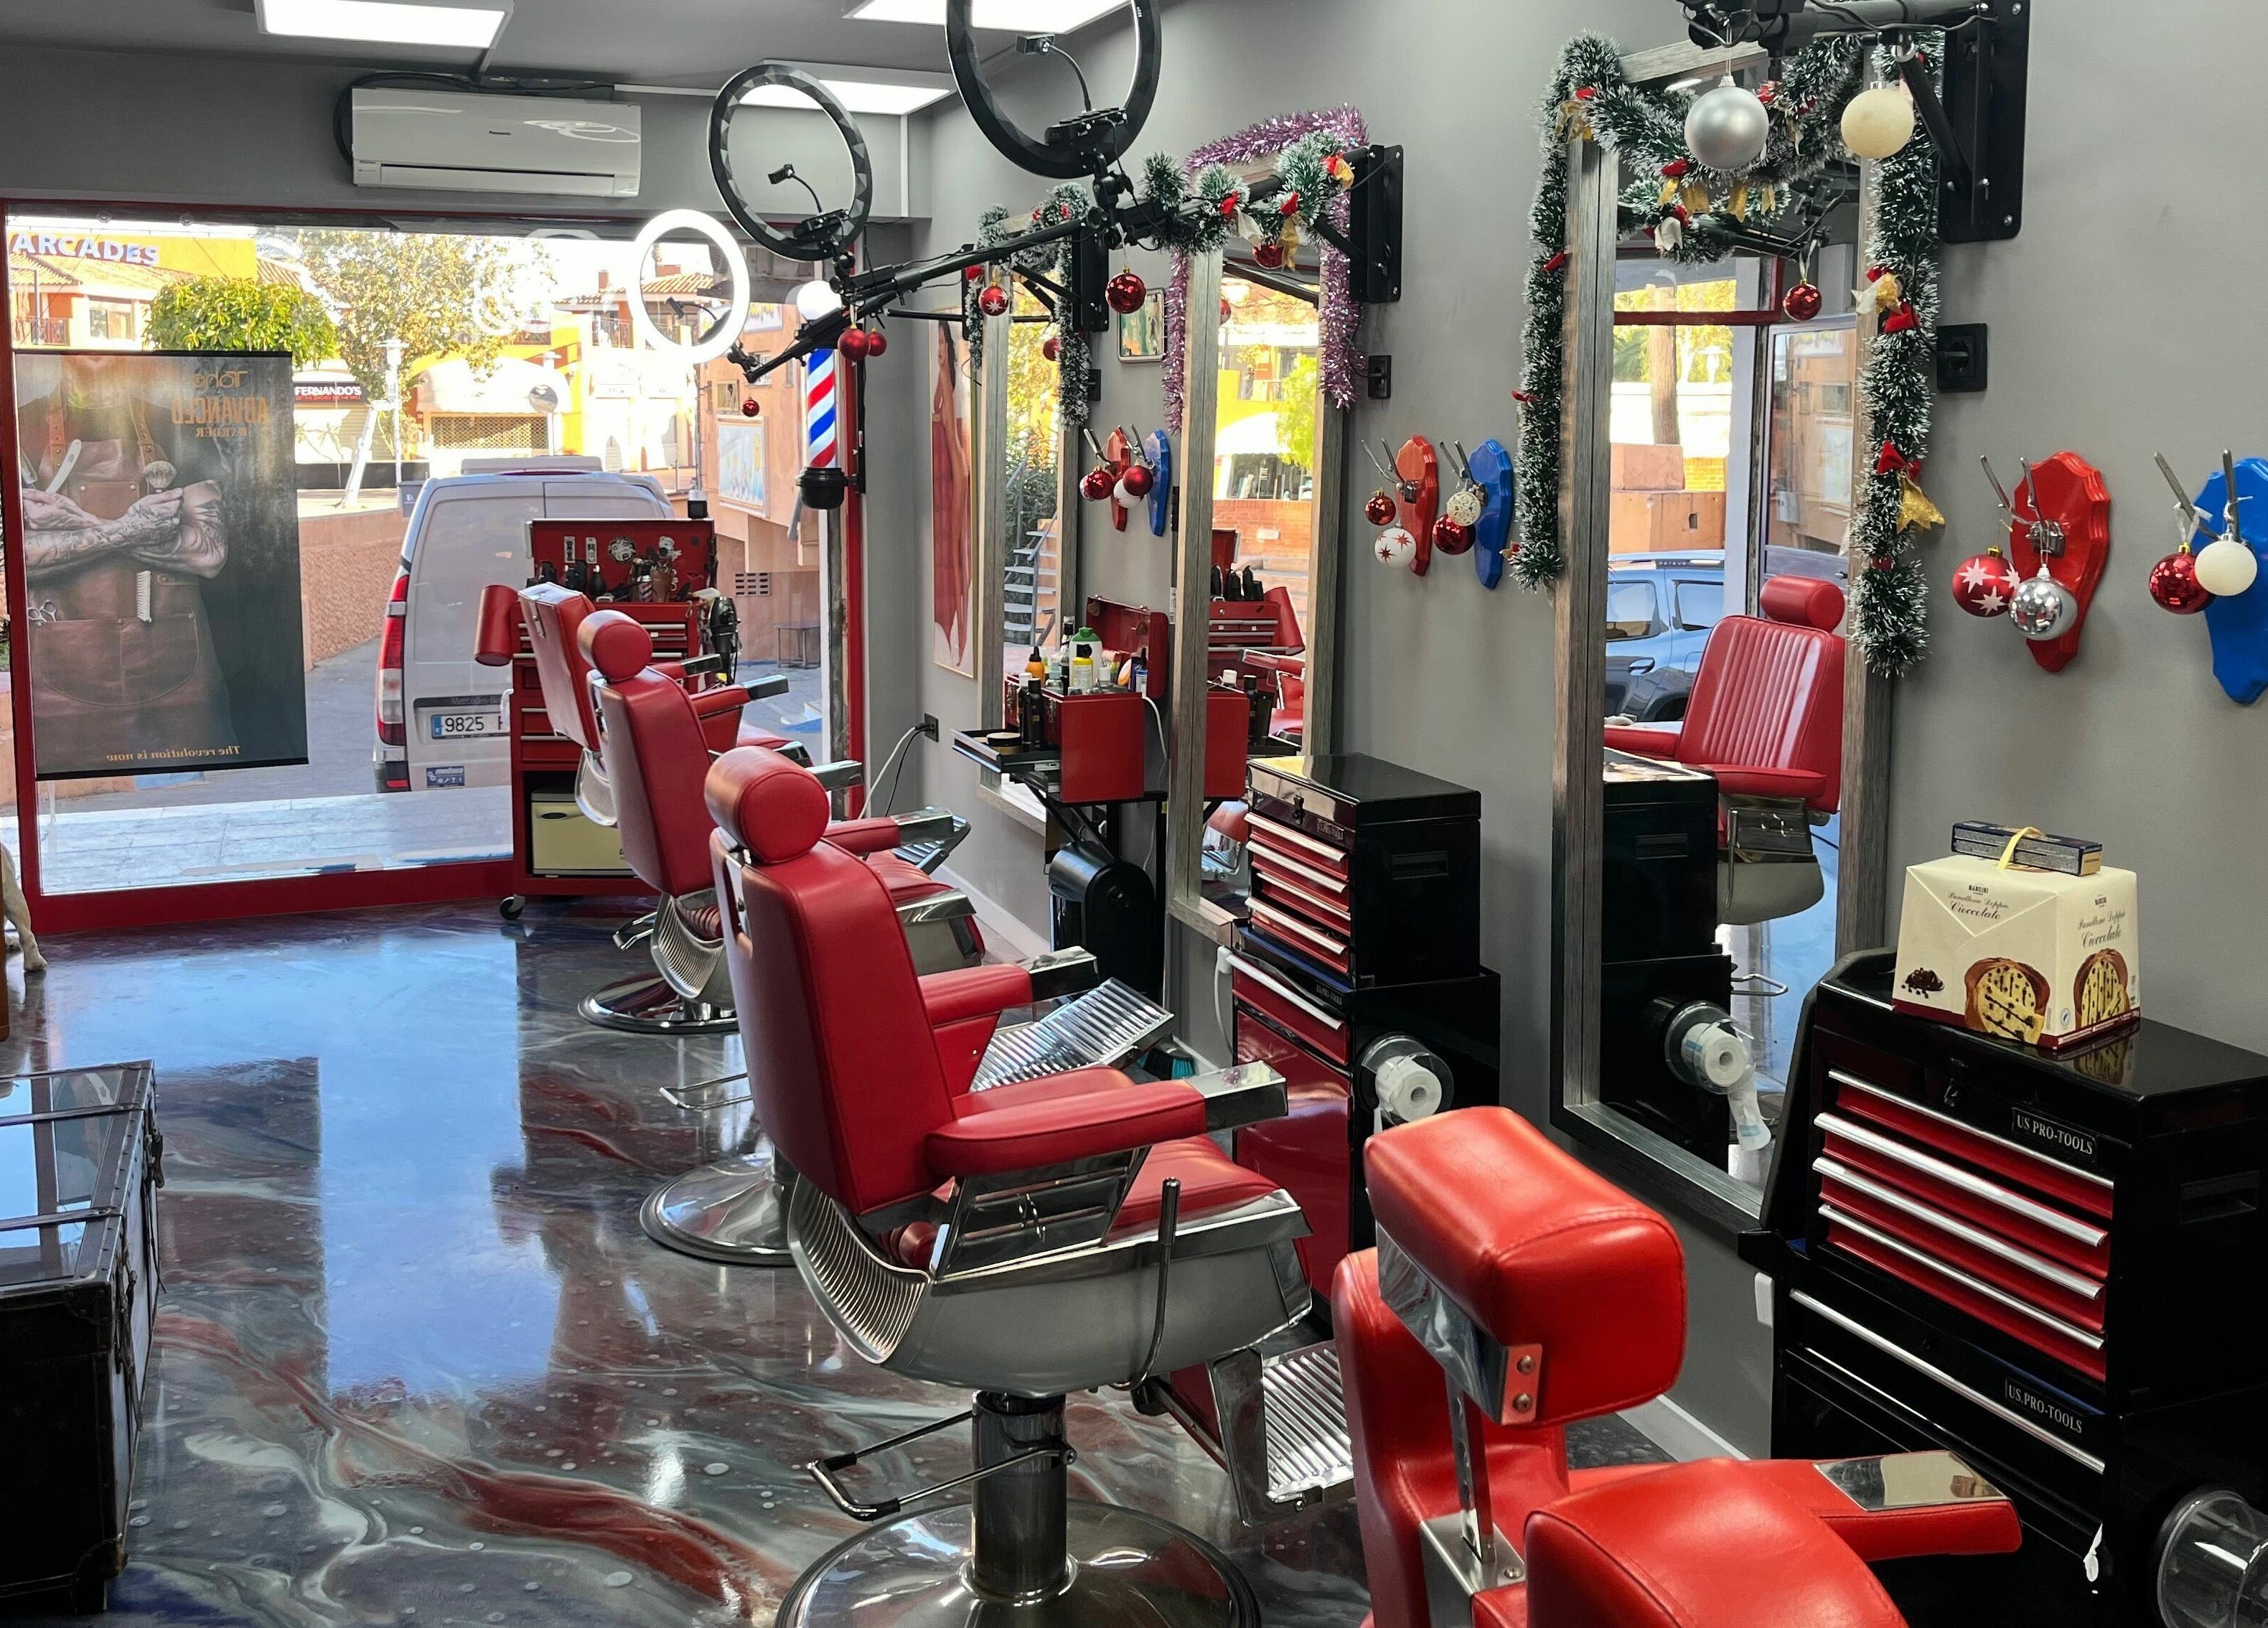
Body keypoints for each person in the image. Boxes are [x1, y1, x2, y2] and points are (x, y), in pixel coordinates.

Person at [17, 352, 235, 775]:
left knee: (192, 806)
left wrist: (78, 524)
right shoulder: (20, 429)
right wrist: (135, 528)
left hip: (172, 666)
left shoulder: (174, 426)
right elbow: (21, 558)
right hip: (61, 675)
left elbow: (210, 554)